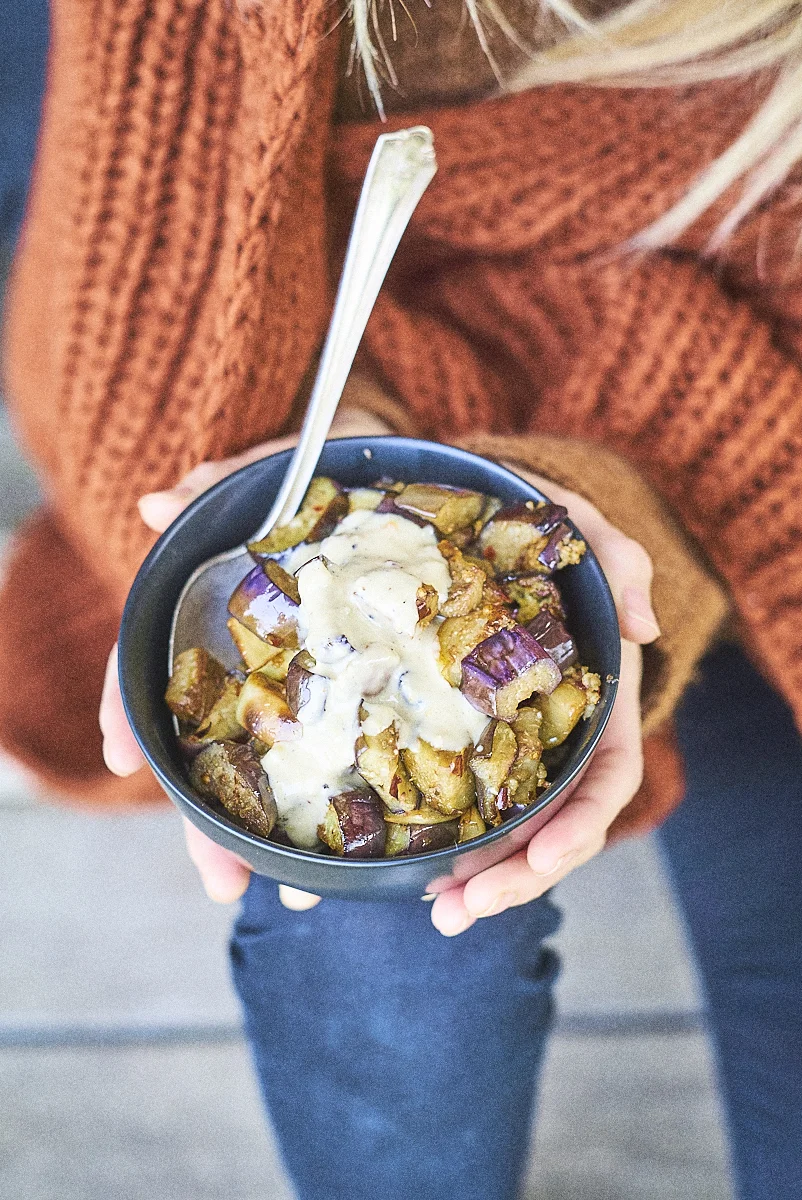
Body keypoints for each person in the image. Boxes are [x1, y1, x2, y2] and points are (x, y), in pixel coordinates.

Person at [2, 0, 801, 1195]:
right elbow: (125, 360)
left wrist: (609, 511)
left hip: (751, 477)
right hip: (333, 416)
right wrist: (368, 444)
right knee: (381, 939)